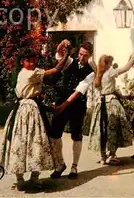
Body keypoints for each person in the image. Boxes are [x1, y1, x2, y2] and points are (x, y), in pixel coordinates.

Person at [0, 48, 68, 191]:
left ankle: (23, 179)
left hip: (21, 109)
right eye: (28, 60)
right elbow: (56, 70)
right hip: (30, 109)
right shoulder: (32, 73)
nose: (32, 62)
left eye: (33, 59)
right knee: (36, 141)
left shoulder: (20, 73)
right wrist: (67, 55)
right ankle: (31, 179)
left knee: (20, 142)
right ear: (23, 62)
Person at [50, 40, 96, 179]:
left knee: (76, 135)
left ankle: (74, 167)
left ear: (90, 56)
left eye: (85, 55)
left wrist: (61, 107)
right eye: (81, 54)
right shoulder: (70, 61)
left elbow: (78, 91)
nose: (82, 58)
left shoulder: (91, 72)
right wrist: (62, 44)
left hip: (77, 105)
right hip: (62, 100)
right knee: (55, 134)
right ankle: (60, 164)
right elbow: (58, 54)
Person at [87, 53, 134, 165]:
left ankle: (103, 156)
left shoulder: (98, 74)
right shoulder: (109, 72)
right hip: (110, 104)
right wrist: (133, 57)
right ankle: (112, 155)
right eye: (110, 62)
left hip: (100, 103)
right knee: (113, 128)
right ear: (107, 63)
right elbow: (126, 68)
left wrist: (122, 96)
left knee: (101, 128)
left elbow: (110, 89)